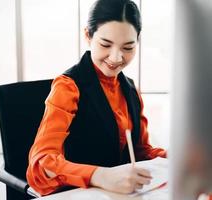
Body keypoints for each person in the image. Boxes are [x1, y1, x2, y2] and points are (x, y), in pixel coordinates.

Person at [26, 0, 166, 196]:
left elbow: (141, 151)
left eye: (128, 48)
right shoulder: (67, 87)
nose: (116, 58)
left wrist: (176, 157)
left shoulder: (130, 89)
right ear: (88, 35)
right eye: (105, 44)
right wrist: (101, 176)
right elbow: (42, 164)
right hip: (80, 192)